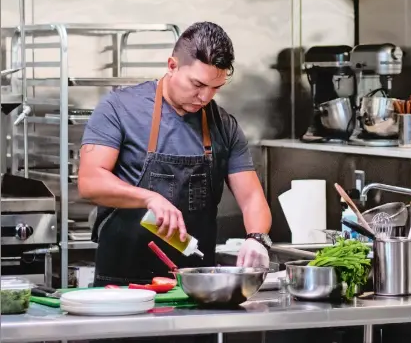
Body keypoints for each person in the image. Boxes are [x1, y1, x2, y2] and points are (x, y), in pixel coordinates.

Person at [78, 21, 272, 290]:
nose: (204, 96)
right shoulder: (119, 108)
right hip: (122, 284)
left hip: (193, 284)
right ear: (172, 66)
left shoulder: (223, 125)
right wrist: (149, 197)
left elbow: (251, 197)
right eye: (197, 84)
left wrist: (257, 238)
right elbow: (89, 182)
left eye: (215, 88)